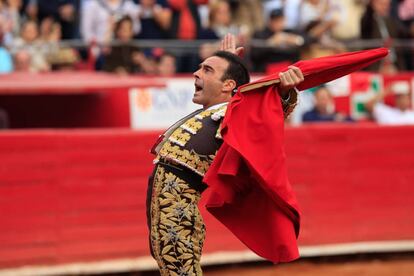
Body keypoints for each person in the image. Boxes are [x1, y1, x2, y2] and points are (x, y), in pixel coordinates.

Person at [146, 34, 304, 275]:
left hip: (178, 210)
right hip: (168, 208)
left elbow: (266, 114)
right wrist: (227, 60)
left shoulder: (237, 112)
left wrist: (283, 93)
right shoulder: (215, 112)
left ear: (228, 85)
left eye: (207, 70)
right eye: (199, 68)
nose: (196, 73)